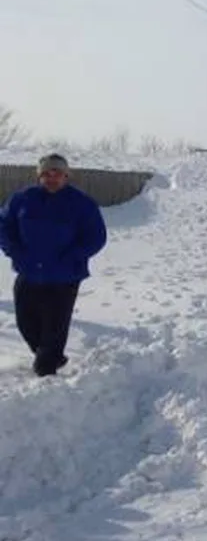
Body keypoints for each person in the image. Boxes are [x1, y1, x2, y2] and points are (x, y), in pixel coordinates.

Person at [0, 153, 107, 376]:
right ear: (39, 176)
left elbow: (96, 237)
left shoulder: (81, 204)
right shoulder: (23, 199)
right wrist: (15, 251)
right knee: (25, 323)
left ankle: (46, 372)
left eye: (56, 173)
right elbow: (4, 226)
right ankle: (51, 357)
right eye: (46, 173)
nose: (51, 177)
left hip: (64, 277)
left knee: (54, 329)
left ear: (66, 176)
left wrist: (72, 256)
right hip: (29, 273)